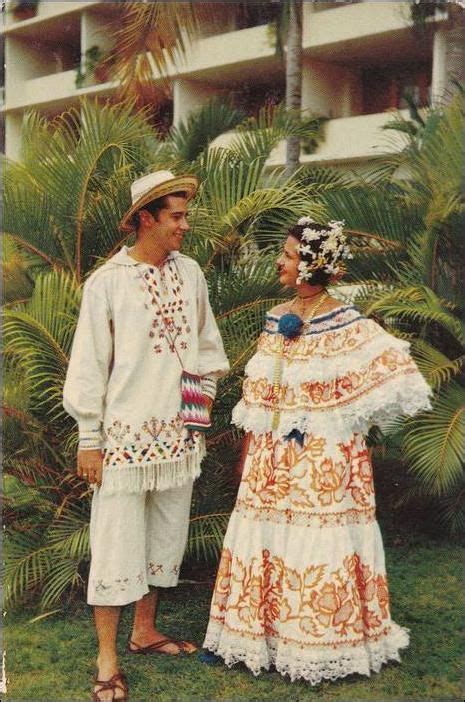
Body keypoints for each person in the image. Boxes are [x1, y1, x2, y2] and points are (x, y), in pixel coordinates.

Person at [202, 217, 432, 684]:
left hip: (325, 457)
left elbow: (398, 370)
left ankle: (322, 643)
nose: (279, 263)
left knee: (319, 539)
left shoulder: (348, 323)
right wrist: (253, 448)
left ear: (313, 264)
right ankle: (254, 637)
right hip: (273, 456)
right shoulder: (276, 317)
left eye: (287, 256)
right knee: (265, 535)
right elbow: (262, 392)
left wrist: (351, 415)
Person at [63, 170, 229, 702]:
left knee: (164, 538)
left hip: (178, 439)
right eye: (176, 216)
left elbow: (206, 351)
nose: (185, 225)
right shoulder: (107, 283)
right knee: (115, 544)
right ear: (145, 219)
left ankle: (144, 632)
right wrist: (90, 437)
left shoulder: (192, 274)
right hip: (121, 443)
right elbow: (89, 363)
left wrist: (196, 422)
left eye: (185, 215)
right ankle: (107, 658)